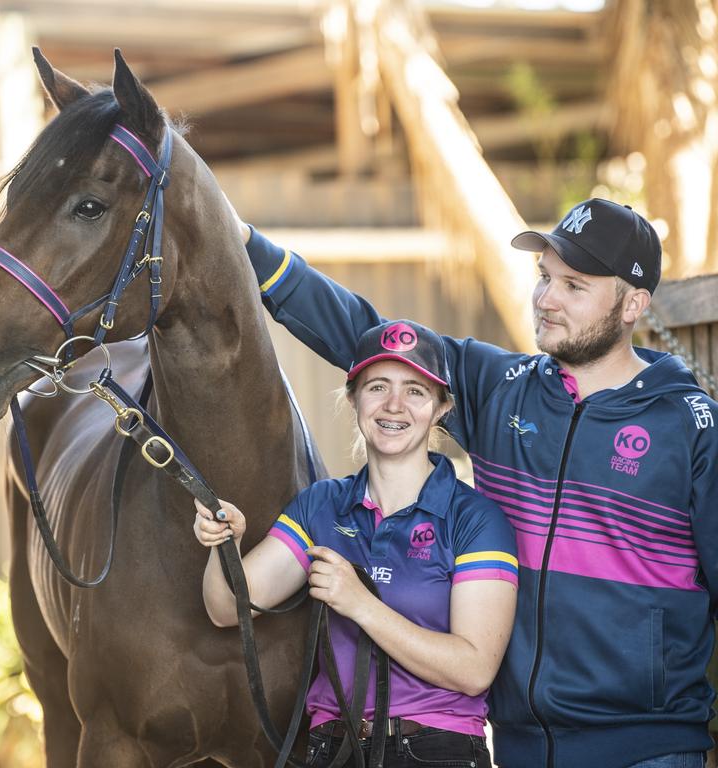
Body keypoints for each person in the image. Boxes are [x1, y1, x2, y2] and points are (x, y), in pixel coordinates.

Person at [229, 197, 718, 768]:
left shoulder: (690, 427)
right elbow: (365, 332)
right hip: (518, 748)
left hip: (648, 749)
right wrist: (244, 243)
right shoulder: (500, 387)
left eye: (574, 286)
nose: (547, 299)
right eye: (545, 278)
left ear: (634, 304)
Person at [194, 319, 519, 767]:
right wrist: (223, 544)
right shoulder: (321, 506)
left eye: (416, 391)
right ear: (353, 398)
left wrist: (359, 603)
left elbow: (474, 669)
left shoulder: (475, 518)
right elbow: (228, 607)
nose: (394, 405)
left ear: (441, 408)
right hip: (334, 748)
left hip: (434, 749)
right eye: (377, 387)